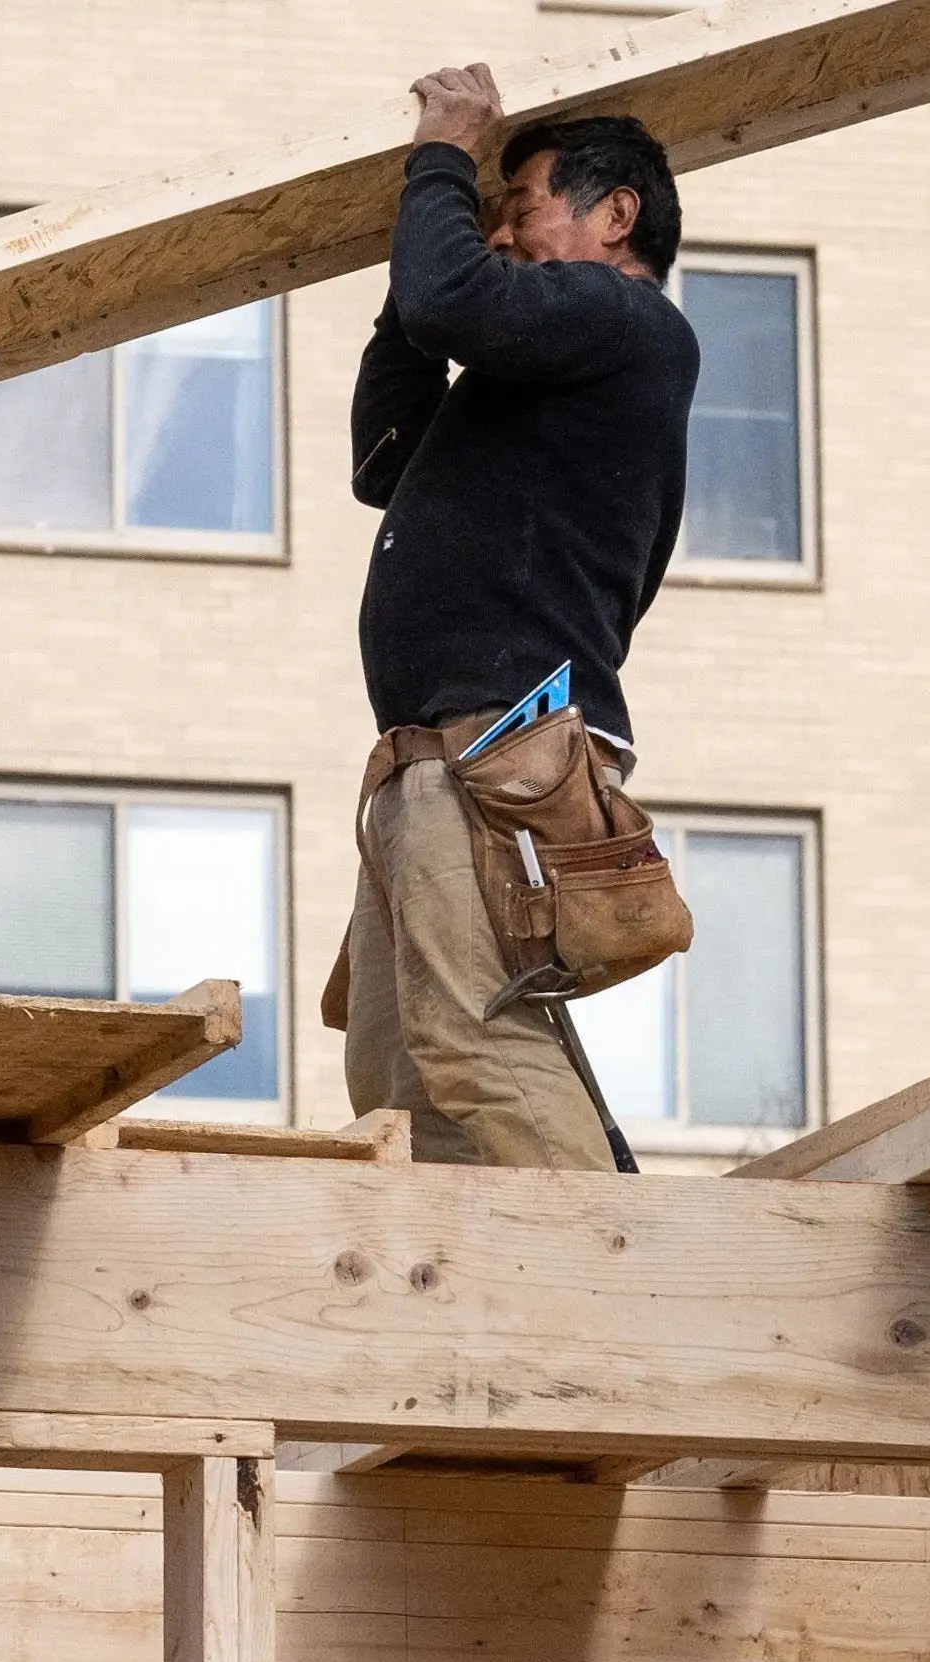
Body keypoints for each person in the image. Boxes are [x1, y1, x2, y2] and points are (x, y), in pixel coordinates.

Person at [333, 67, 703, 1170]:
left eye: (523, 201)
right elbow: (381, 461)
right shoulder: (542, 374)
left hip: (498, 744)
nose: (499, 230)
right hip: (435, 754)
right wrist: (421, 291)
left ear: (615, 216)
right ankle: (486, 1330)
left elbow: (456, 302)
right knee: (400, 1083)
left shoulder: (626, 318)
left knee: (470, 1044)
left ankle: (606, 1294)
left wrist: (444, 151)